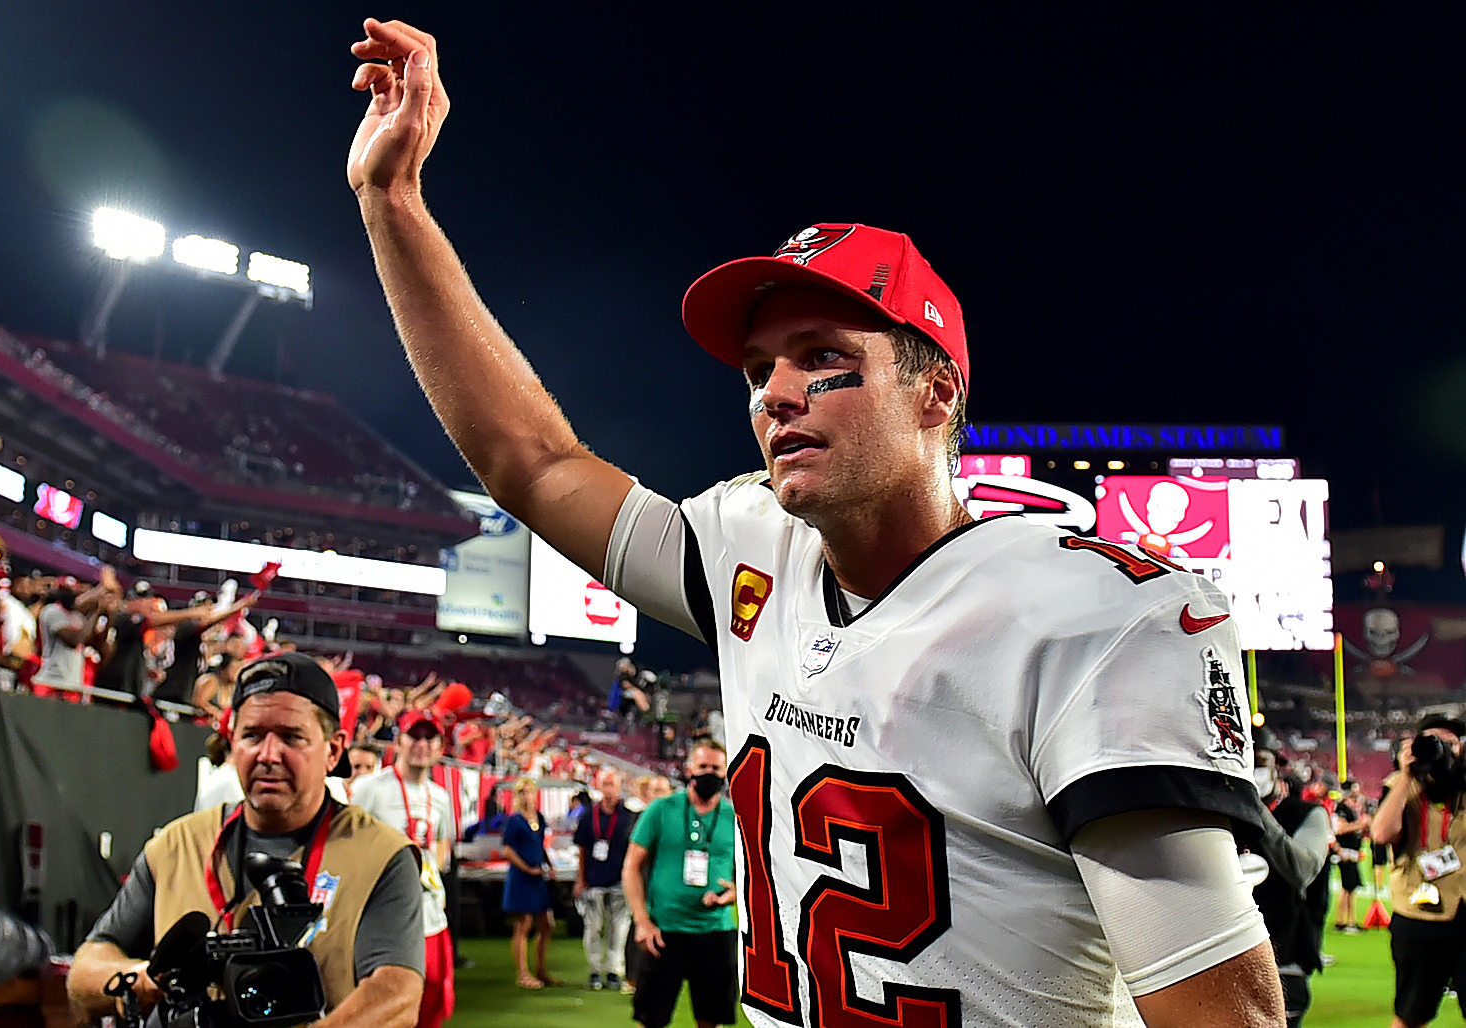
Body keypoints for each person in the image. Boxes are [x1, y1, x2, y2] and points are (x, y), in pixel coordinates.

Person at [345, 19, 1279, 1025]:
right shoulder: (749, 547)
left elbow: (1222, 1012)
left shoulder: (1094, 618)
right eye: (758, 370)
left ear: (934, 394)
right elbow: (528, 461)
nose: (775, 394)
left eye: (823, 356)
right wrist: (391, 202)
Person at [67, 653, 425, 1027]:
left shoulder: (381, 855)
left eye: (291, 737)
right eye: (252, 735)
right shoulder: (177, 846)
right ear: (232, 743)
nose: (268, 755)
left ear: (333, 750)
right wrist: (142, 980)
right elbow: (86, 969)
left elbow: (396, 994)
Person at [348, 711, 457, 1028]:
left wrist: (429, 870)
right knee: (385, 998)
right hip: (384, 913)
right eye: (414, 736)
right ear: (398, 742)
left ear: (439, 747)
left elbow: (441, 843)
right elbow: (350, 842)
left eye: (429, 738)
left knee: (433, 993)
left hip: (430, 913)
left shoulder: (440, 797)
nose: (422, 745)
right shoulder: (370, 788)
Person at [622, 740, 737, 1028]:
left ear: (726, 772)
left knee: (711, 1020)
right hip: (664, 933)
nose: (709, 773)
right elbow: (631, 867)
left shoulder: (735, 818)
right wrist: (642, 921)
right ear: (688, 770)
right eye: (702, 767)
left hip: (716, 933)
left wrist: (736, 892)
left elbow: (753, 874)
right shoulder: (661, 809)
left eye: (716, 768)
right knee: (651, 1020)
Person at [1371, 714, 1466, 1028]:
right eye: (1431, 742)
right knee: (1411, 1014)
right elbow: (1382, 834)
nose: (1440, 750)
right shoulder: (1400, 787)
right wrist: (1405, 776)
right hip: (1418, 916)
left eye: (1449, 743)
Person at [1244, 734, 1332, 1027]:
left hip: (1284, 955)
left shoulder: (1308, 814)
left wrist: (1250, 805)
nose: (1247, 768)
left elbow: (1302, 869)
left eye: (1257, 763)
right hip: (1225, 954)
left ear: (1277, 767)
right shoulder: (1216, 813)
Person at [574, 767, 635, 991]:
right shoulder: (589, 816)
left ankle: (614, 970)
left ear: (620, 787)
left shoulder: (629, 817)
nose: (609, 790)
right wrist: (580, 879)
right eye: (606, 784)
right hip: (594, 879)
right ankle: (594, 969)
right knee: (593, 927)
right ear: (599, 787)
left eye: (613, 785)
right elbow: (582, 849)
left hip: (620, 880)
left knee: (618, 929)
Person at [500, 777, 554, 989]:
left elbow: (540, 844)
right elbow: (507, 850)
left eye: (530, 792)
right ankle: (522, 973)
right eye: (523, 793)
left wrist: (548, 864)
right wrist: (527, 868)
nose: (527, 797)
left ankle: (541, 969)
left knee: (547, 924)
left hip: (538, 876)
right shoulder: (514, 821)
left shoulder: (539, 818)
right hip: (521, 877)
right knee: (523, 924)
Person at [1331, 779, 1372, 932]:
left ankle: (1349, 920)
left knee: (1351, 887)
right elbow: (1340, 829)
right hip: (1345, 853)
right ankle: (1343, 921)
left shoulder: (1350, 808)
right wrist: (1360, 824)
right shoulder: (1342, 808)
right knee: (1347, 886)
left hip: (1352, 852)